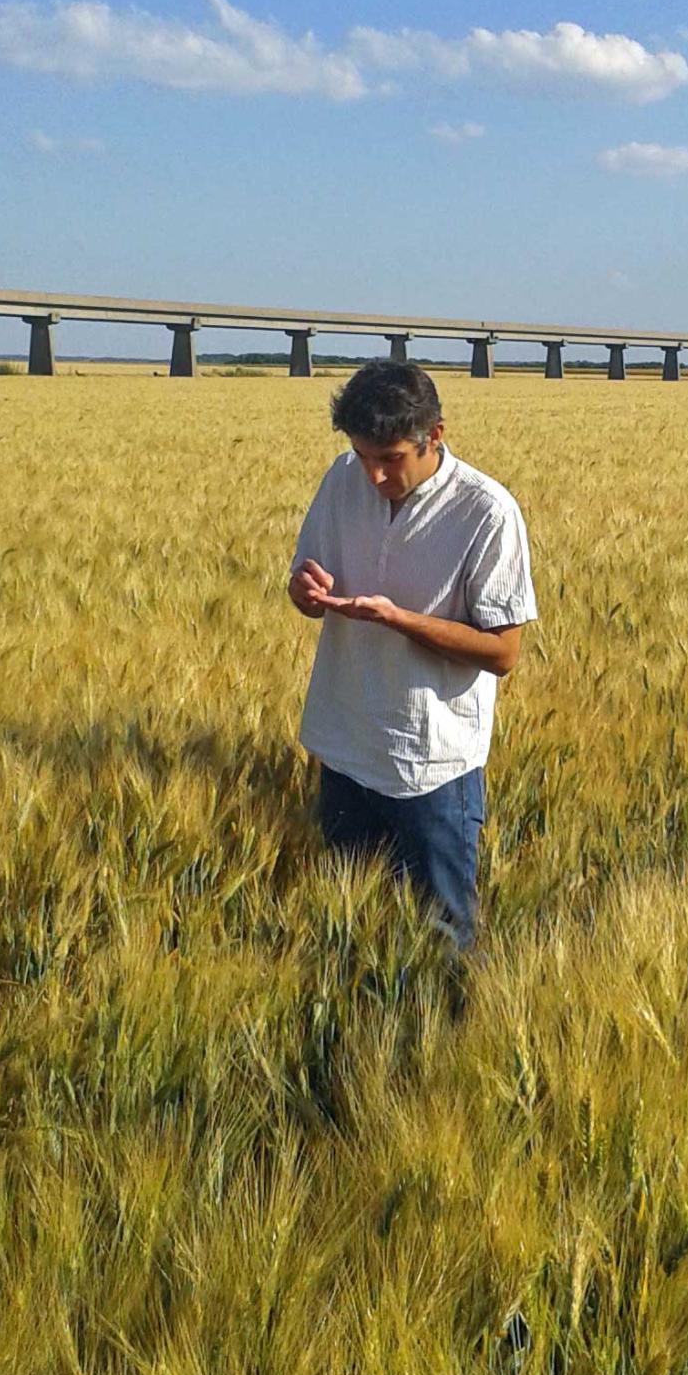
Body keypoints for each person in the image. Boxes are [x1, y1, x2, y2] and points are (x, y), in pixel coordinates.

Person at [287, 358, 537, 955]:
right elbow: (306, 584)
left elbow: (503, 653)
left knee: (442, 939)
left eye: (390, 458)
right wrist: (304, 591)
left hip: (431, 766)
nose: (372, 474)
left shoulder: (487, 512)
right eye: (362, 454)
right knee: (350, 933)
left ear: (435, 436)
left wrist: (400, 620)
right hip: (346, 747)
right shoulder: (342, 479)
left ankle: (442, 1042)